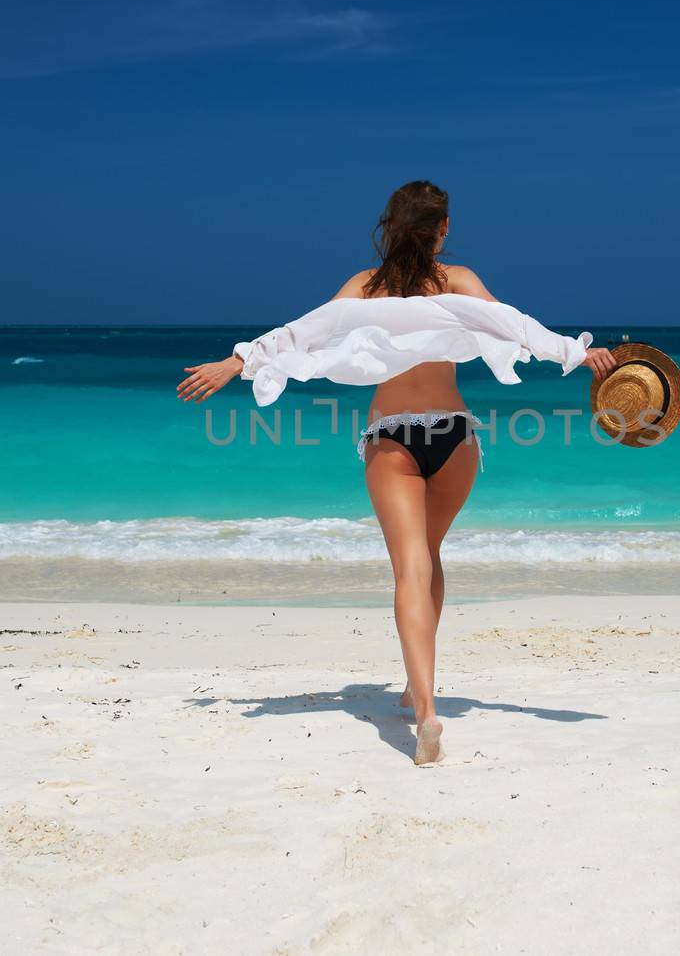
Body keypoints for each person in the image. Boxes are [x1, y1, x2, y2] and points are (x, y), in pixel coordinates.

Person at [177, 180, 615, 765]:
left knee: (411, 568)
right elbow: (518, 328)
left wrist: (237, 361)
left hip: (393, 436)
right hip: (454, 437)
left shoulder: (365, 287)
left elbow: (303, 332)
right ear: (443, 228)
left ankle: (426, 709)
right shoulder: (458, 281)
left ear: (391, 226)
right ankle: (416, 688)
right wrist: (576, 353)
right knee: (430, 559)